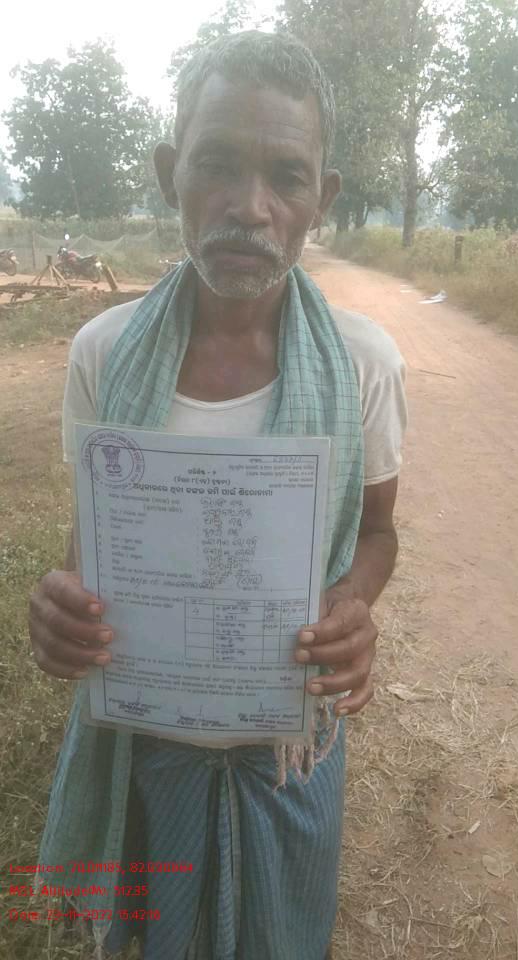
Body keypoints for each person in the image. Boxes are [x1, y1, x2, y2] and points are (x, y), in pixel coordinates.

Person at [28, 31, 407, 960]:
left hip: (290, 752)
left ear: (323, 199)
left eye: (287, 175)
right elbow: (92, 551)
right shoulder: (105, 354)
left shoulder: (362, 363)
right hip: (145, 748)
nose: (250, 206)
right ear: (171, 175)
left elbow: (379, 532)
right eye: (217, 166)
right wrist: (63, 611)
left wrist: (351, 604)